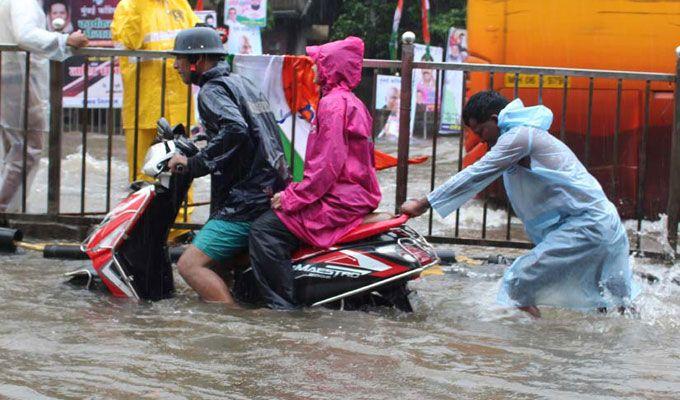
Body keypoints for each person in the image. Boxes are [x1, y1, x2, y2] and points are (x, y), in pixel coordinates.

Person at [401, 90, 639, 317]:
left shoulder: (519, 136)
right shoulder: (525, 134)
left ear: (495, 119)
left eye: (481, 131)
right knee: (616, 308)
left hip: (588, 227)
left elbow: (477, 173)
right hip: (601, 225)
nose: (481, 140)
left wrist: (423, 204)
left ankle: (539, 346)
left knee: (517, 284)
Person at [248, 36, 382, 309]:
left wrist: (290, 198)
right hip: (355, 195)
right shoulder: (354, 103)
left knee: (264, 232)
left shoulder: (333, 105)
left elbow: (325, 168)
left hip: (338, 200)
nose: (314, 70)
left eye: (319, 64)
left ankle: (281, 309)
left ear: (332, 67)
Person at [167, 28, 289, 307]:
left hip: (246, 200)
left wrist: (194, 163)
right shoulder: (240, 82)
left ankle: (231, 319)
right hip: (268, 189)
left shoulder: (211, 90)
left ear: (197, 60)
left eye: (181, 59)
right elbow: (249, 130)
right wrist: (201, 139)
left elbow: (235, 129)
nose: (176, 65)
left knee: (189, 265)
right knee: (218, 261)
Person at [111, 0, 198, 232]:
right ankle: (144, 230)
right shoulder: (129, 6)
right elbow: (131, 42)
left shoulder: (180, 4)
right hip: (144, 104)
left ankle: (180, 229)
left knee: (181, 170)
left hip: (178, 104)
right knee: (145, 173)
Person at [0, 0, 88, 212]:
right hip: (19, 79)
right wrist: (65, 39)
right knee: (27, 148)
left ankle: (11, 209)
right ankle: (4, 208)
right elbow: (25, 35)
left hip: (11, 77)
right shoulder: (25, 2)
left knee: (13, 148)